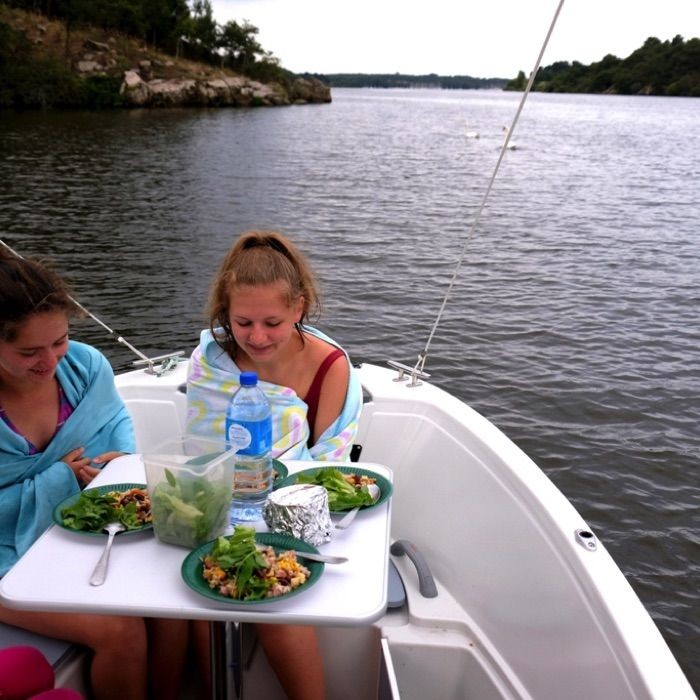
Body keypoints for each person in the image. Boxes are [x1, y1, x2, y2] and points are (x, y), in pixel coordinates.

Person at [0, 250, 190, 700]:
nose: (50, 360)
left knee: (172, 602)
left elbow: (117, 430)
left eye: (59, 340)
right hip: (5, 557)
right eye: (29, 351)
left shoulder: (84, 368)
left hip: (77, 530)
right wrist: (58, 479)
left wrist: (117, 464)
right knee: (119, 630)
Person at [186, 230, 363, 700]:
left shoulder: (330, 367)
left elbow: (327, 467)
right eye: (242, 322)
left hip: (297, 512)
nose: (257, 337)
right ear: (225, 313)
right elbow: (200, 450)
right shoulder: (212, 362)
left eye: (273, 322)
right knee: (193, 606)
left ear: (299, 308)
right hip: (218, 504)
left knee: (278, 610)